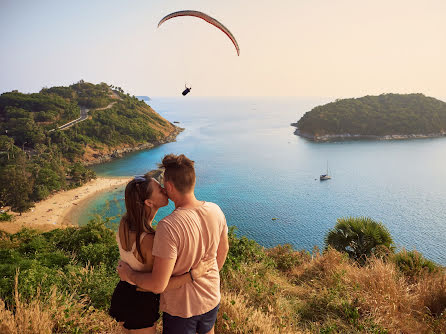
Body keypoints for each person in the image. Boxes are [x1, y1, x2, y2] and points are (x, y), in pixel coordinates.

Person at [118, 154, 229, 334]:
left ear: (169, 186)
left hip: (182, 308)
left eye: (163, 186)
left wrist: (129, 274)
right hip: (211, 297)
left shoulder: (168, 226)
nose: (162, 188)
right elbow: (223, 251)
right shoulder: (216, 210)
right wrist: (206, 276)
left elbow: (157, 285)